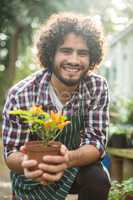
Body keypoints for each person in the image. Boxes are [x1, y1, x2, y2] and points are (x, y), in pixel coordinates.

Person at [2, 12, 111, 200]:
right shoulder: (22, 94)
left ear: (92, 57)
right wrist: (31, 163)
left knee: (98, 178)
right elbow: (11, 151)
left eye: (82, 53)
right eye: (66, 51)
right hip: (33, 172)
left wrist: (66, 159)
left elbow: (96, 141)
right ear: (51, 53)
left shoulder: (96, 87)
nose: (74, 60)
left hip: (75, 166)